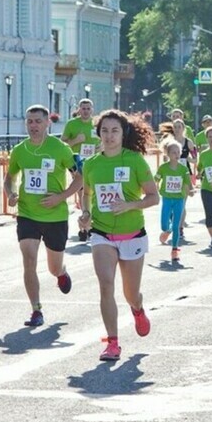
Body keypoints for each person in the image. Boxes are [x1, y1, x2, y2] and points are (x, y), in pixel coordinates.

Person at [79, 110, 158, 360]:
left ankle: (137, 308)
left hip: (132, 233)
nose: (109, 136)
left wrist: (130, 205)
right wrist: (85, 213)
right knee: (105, 285)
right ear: (98, 134)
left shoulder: (134, 160)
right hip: (102, 233)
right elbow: (87, 193)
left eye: (114, 131)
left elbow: (154, 197)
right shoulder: (91, 163)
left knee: (130, 293)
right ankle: (112, 342)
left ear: (123, 133)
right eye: (104, 131)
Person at [4, 105, 81, 328]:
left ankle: (62, 272)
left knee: (53, 267)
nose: (33, 126)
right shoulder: (20, 150)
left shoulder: (60, 149)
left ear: (48, 123)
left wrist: (61, 197)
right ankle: (36, 310)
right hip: (28, 214)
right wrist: (11, 193)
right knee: (28, 261)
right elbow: (9, 178)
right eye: (29, 121)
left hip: (55, 216)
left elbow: (80, 178)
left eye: (38, 121)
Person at [61, 99, 100, 241]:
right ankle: (85, 226)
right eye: (83, 108)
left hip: (95, 160)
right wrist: (76, 140)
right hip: (77, 160)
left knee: (93, 192)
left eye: (88, 108)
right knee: (83, 191)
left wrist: (101, 148)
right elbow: (62, 144)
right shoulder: (72, 124)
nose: (86, 111)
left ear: (92, 110)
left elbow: (104, 140)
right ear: (79, 109)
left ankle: (89, 223)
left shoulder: (96, 123)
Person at [155, 139, 193, 262]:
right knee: (164, 225)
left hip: (179, 199)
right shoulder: (163, 168)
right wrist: (153, 188)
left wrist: (190, 191)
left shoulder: (183, 169)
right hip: (166, 198)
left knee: (177, 225)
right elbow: (156, 179)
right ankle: (168, 230)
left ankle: (175, 250)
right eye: (173, 152)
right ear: (168, 154)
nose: (176, 155)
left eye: (178, 152)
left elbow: (188, 182)